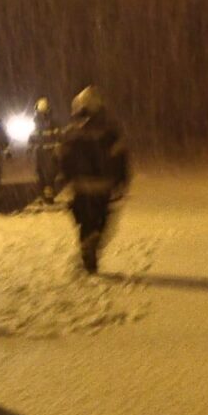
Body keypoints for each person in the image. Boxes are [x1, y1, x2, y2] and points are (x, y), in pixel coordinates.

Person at [55, 85, 130, 274]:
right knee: (101, 221)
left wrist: (64, 180)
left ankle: (88, 250)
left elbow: (63, 160)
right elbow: (120, 159)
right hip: (103, 187)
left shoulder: (71, 133)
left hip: (81, 187)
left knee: (85, 223)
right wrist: (121, 181)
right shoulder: (111, 133)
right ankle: (93, 244)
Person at [30, 96, 62, 203]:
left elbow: (58, 138)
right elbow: (32, 138)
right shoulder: (37, 125)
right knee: (42, 174)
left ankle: (48, 197)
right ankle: (45, 195)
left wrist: (56, 148)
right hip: (42, 153)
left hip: (49, 153)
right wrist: (30, 147)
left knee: (48, 175)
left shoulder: (52, 124)